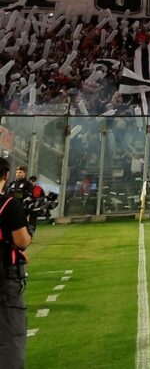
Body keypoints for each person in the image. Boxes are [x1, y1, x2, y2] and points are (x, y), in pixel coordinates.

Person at [0, 157, 32, 369]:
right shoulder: (8, 204)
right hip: (3, 278)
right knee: (10, 337)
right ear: (6, 175)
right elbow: (21, 241)